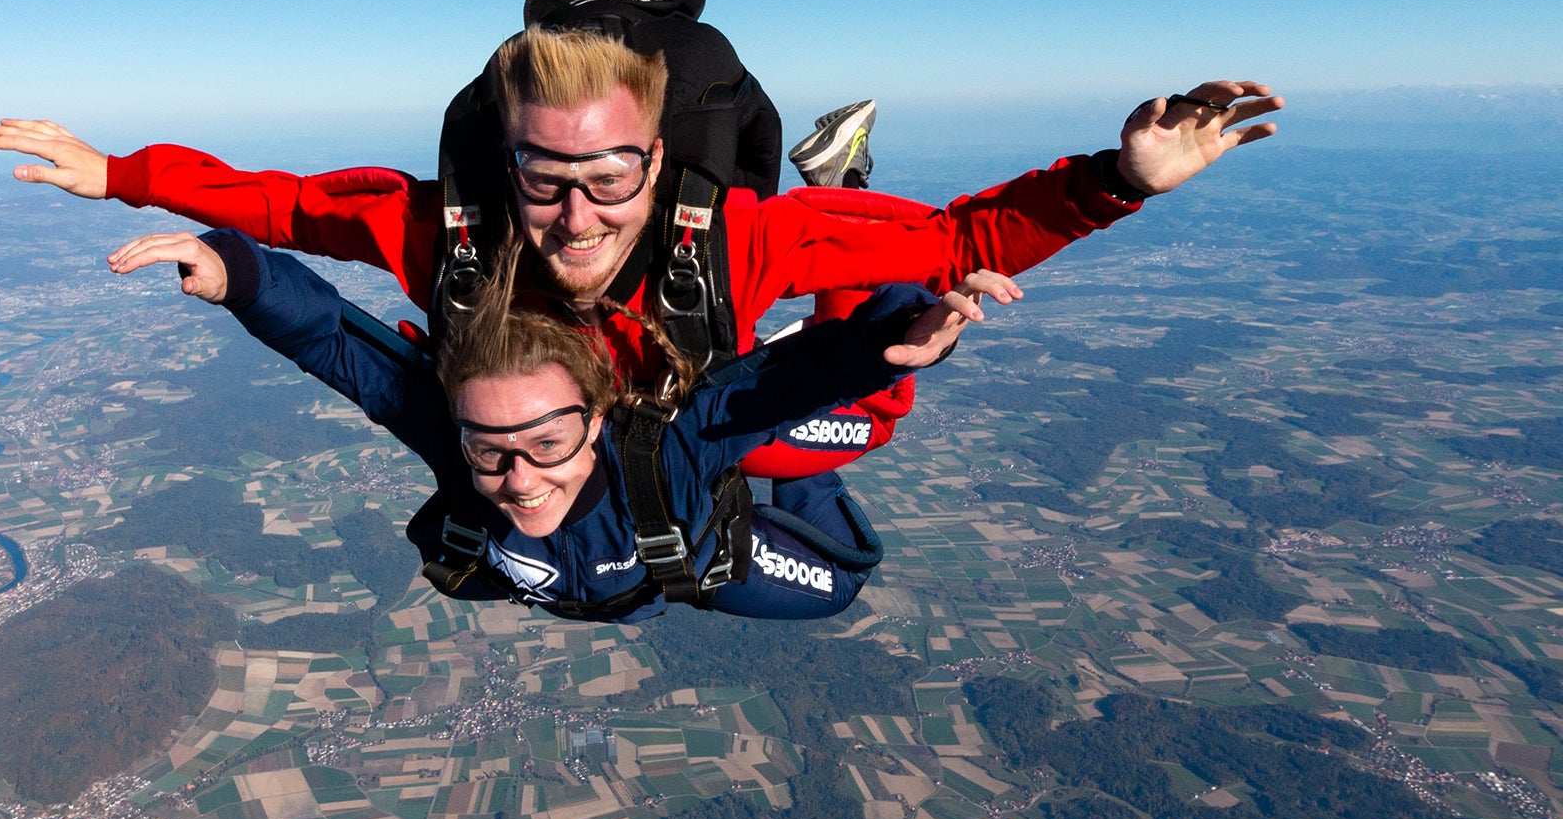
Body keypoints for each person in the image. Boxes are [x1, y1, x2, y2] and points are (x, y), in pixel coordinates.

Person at [0, 28, 1281, 466]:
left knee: (871, 407)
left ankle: (843, 187)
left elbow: (957, 240)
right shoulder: (444, 231)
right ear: (506, 173)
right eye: (545, 178)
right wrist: (120, 179)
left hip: (702, 406)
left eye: (609, 178)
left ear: (655, 169)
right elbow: (282, 205)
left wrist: (1120, 181)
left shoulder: (735, 242)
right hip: (586, 430)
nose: (578, 214)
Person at [106, 226, 1023, 623]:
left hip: (706, 543)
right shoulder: (462, 440)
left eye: (547, 444)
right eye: (490, 451)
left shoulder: (664, 451)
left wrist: (905, 329)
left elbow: (797, 376)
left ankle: (784, 460)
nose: (519, 478)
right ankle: (768, 450)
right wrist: (235, 274)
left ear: (597, 420)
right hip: (660, 565)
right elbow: (338, 346)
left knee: (845, 572)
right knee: (765, 426)